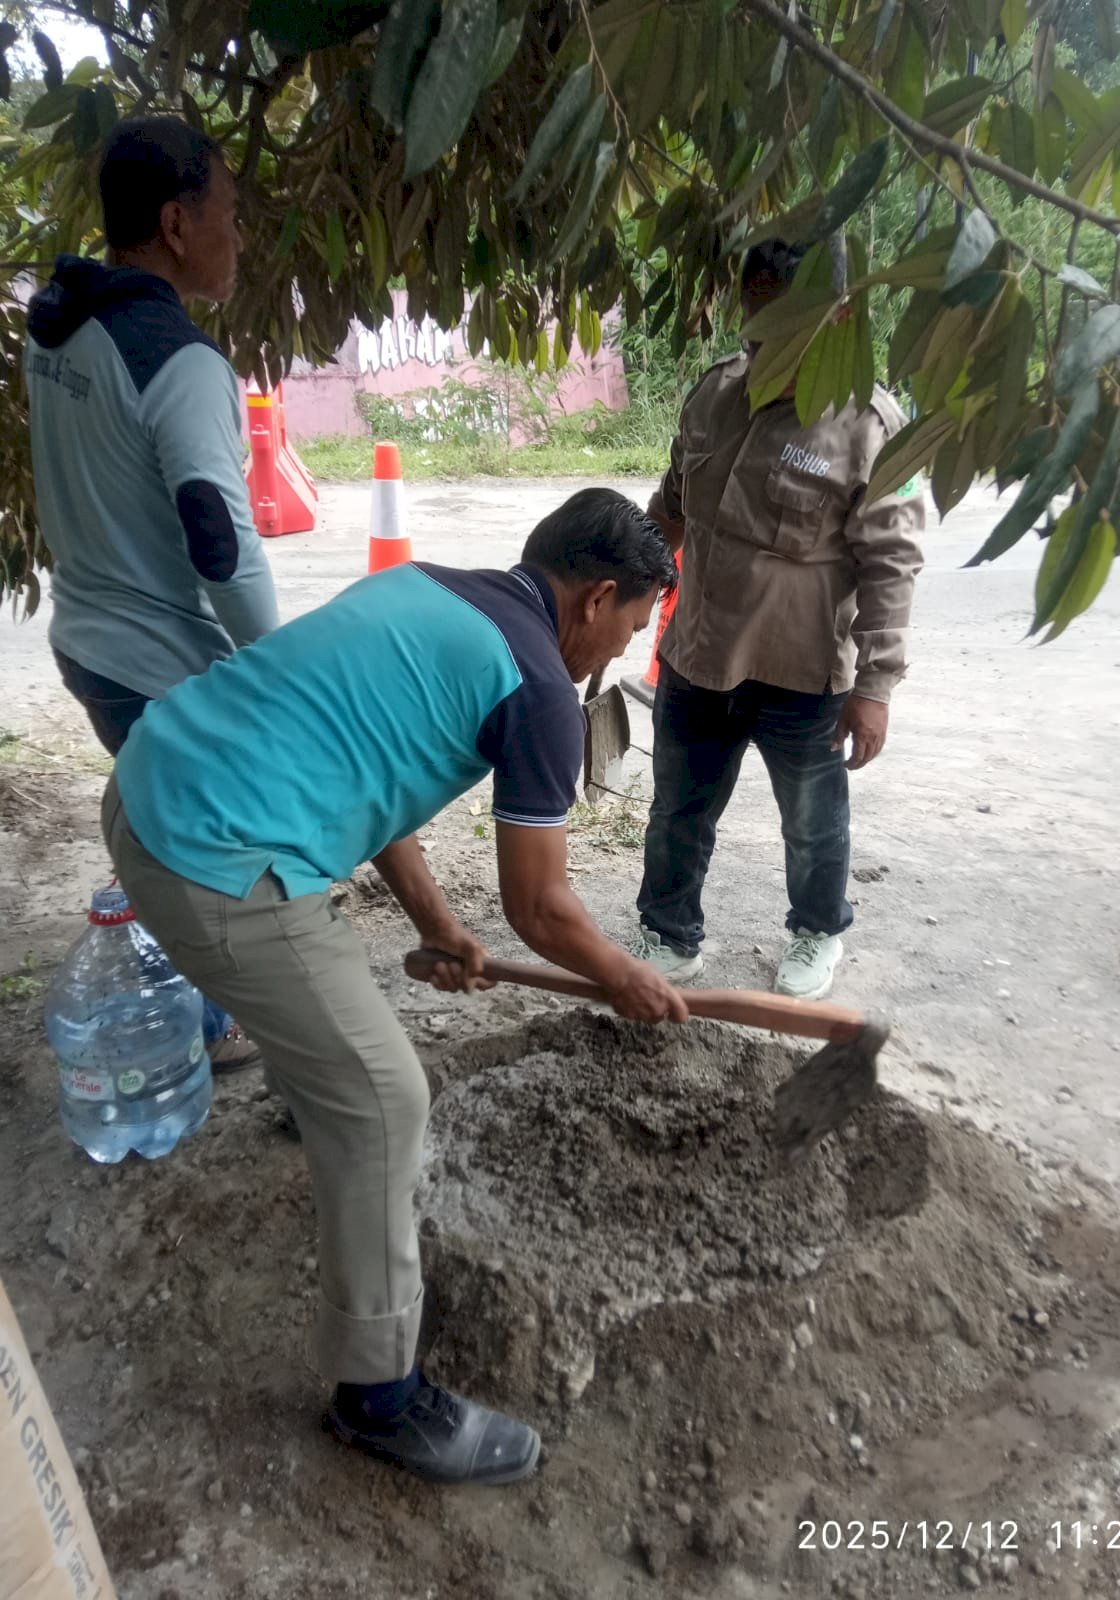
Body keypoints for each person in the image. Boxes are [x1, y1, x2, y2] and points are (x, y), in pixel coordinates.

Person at [102, 489, 687, 1485]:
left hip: (151, 782)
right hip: (211, 855)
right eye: (631, 626)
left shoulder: (426, 591)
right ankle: (380, 1397)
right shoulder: (537, 685)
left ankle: (309, 1084)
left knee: (336, 1023)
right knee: (383, 1102)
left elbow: (370, 772)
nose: (622, 653)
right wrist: (627, 975)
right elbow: (541, 908)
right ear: (594, 598)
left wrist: (436, 924)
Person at [24, 115, 279, 1069]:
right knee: (225, 856)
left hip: (88, 640)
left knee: (179, 836)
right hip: (158, 661)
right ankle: (219, 1025)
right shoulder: (179, 361)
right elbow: (221, 544)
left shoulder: (58, 329)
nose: (239, 238)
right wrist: (275, 663)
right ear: (177, 224)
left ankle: (202, 1014)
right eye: (230, 215)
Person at [632, 239, 925, 1000]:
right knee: (677, 811)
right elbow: (671, 504)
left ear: (838, 314)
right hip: (698, 653)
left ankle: (817, 931)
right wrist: (628, 585)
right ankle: (668, 933)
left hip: (802, 673)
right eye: (754, 306)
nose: (763, 331)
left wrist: (878, 687)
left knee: (813, 824)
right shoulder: (715, 393)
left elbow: (891, 565)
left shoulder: (864, 425)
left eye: (784, 309)